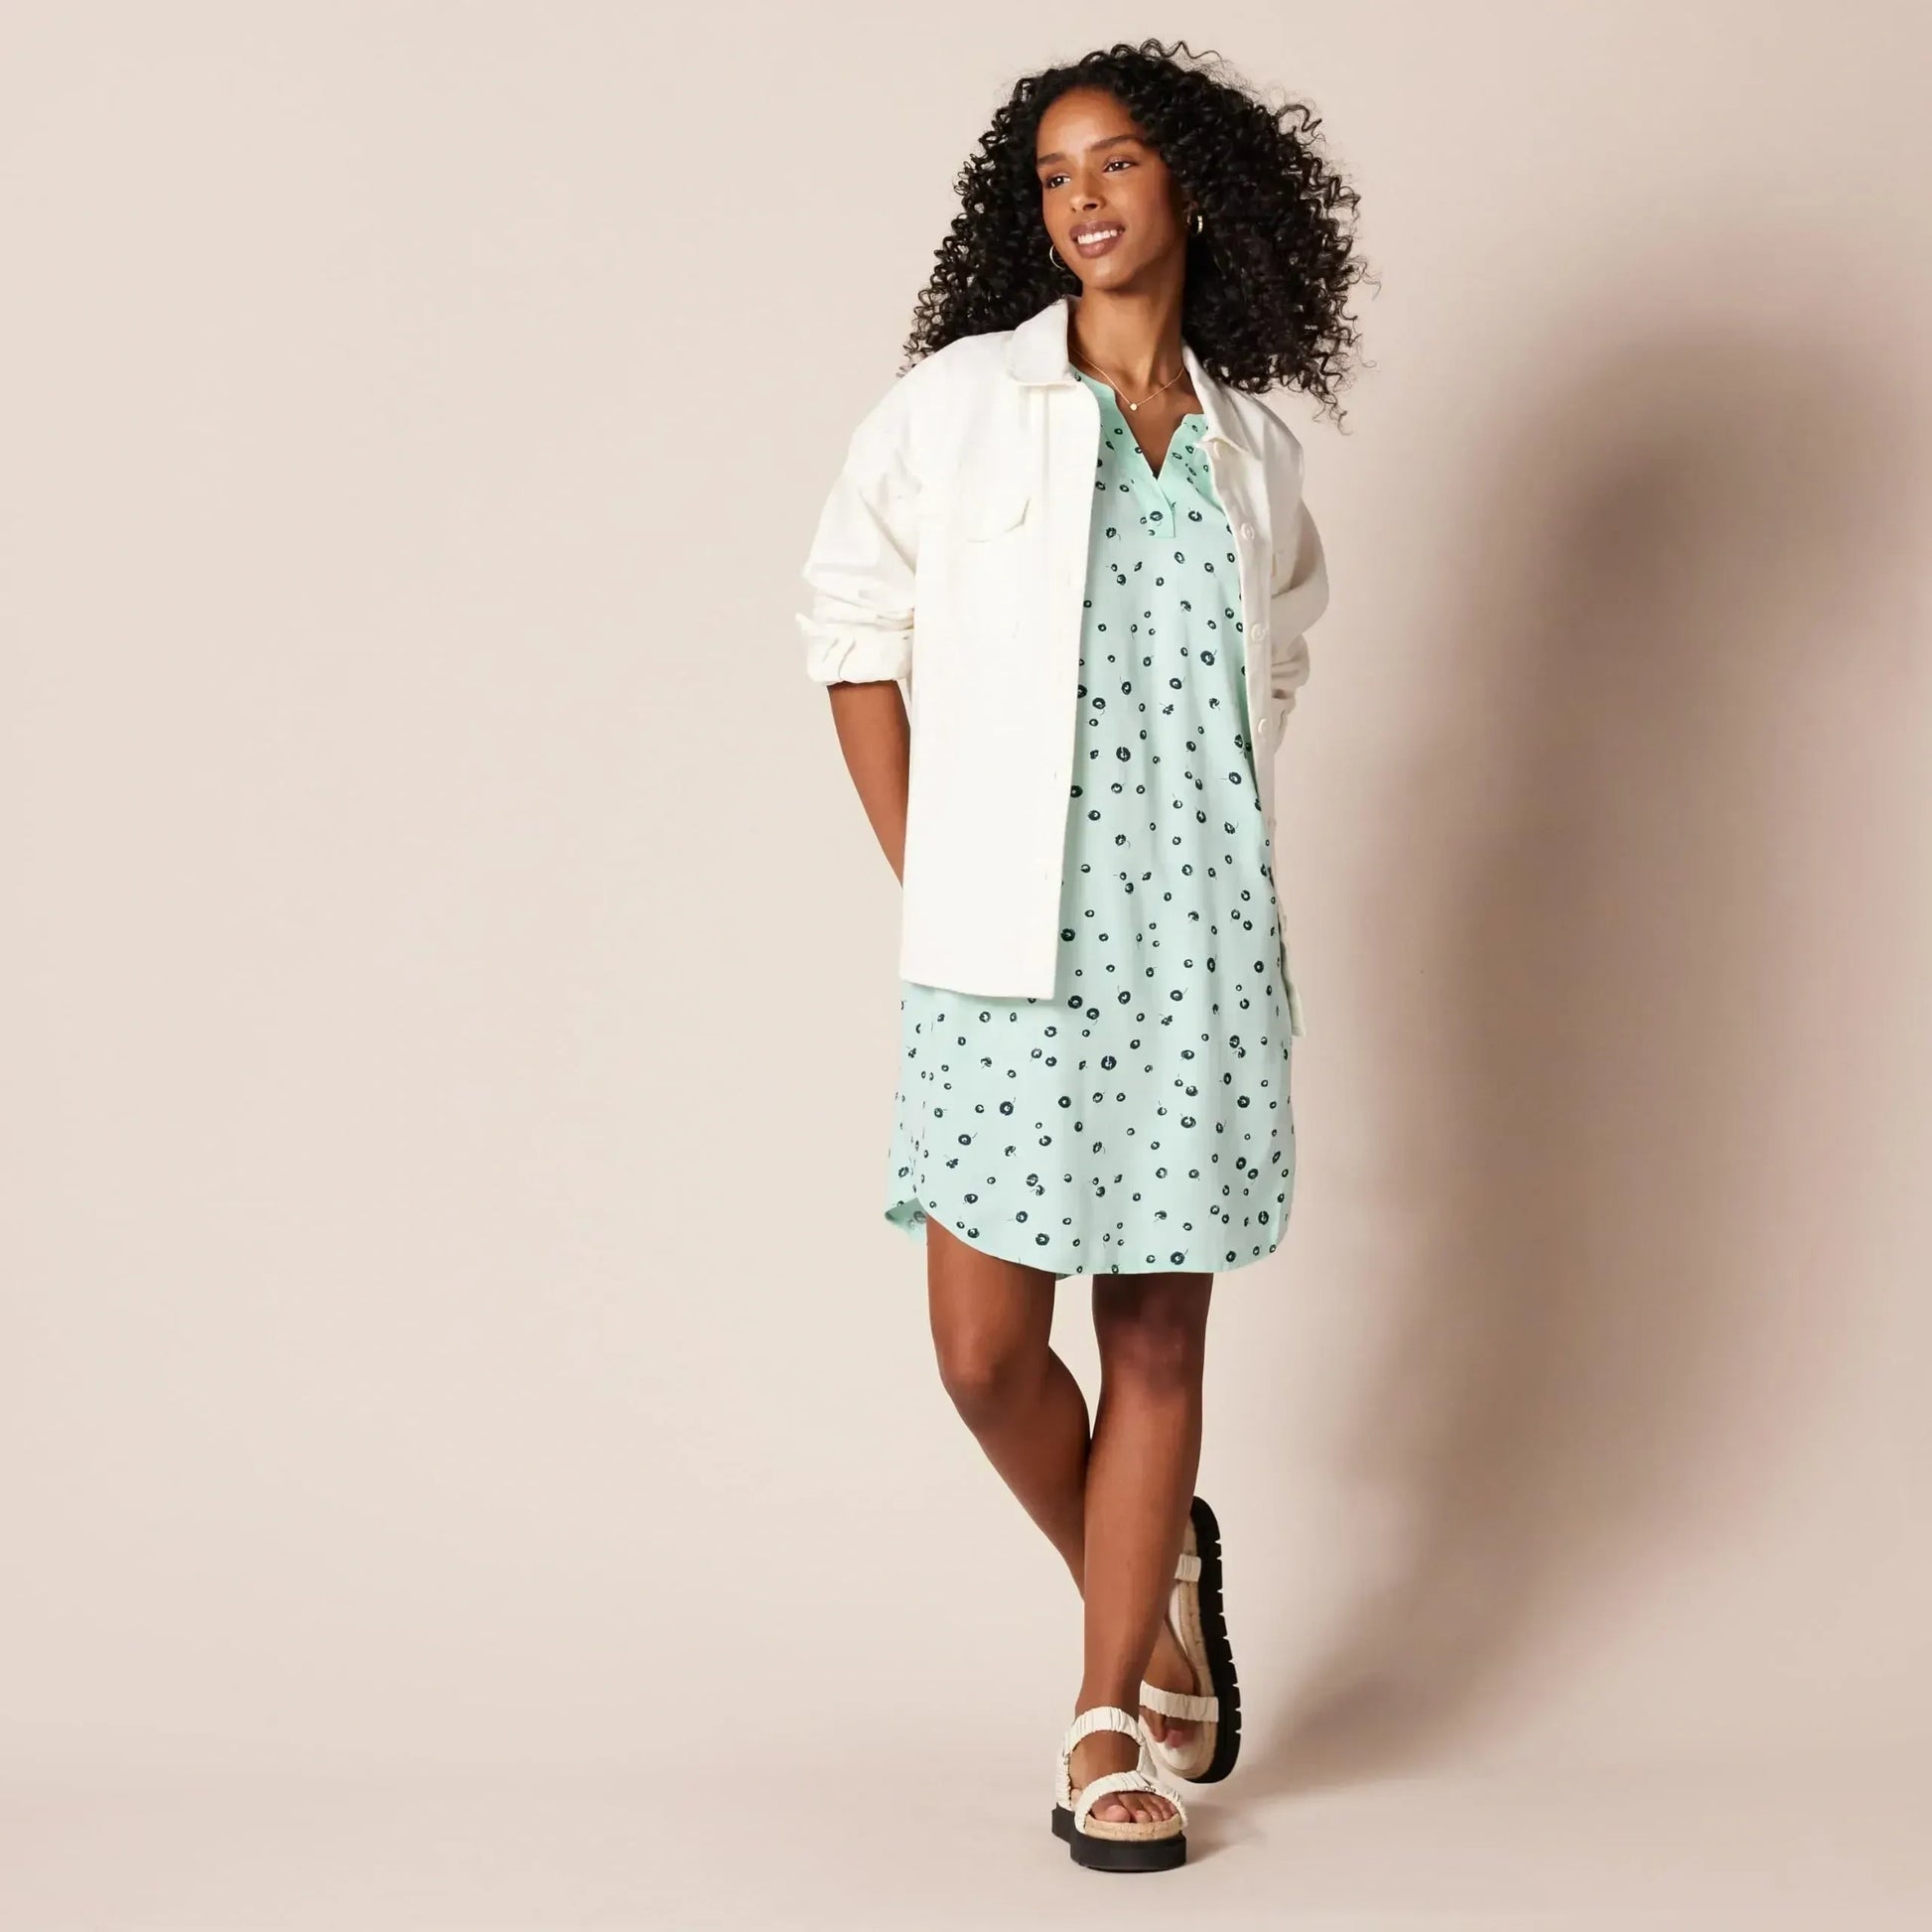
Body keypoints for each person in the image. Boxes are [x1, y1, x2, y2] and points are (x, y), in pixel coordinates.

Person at [795, 39, 1364, 1872]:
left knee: (1154, 1336)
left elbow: (1278, 656)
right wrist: (932, 873)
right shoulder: (961, 403)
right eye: (1052, 174)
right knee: (983, 1352)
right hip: (1000, 946)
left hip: (1193, 946)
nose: (1084, 198)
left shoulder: (1253, 448)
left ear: (1192, 180)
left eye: (1116, 160)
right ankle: (1157, 1560)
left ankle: (1105, 1712)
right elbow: (849, 627)